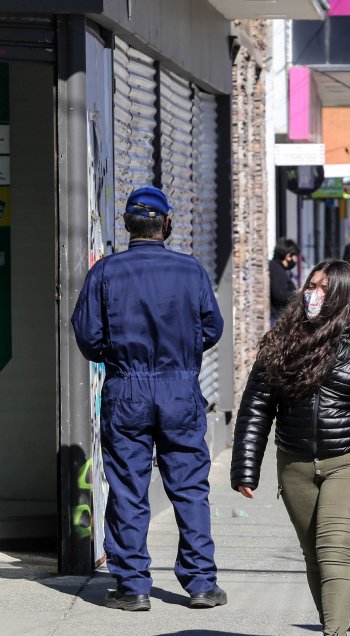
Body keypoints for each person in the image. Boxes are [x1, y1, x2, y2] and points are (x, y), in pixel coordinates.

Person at [70, 185, 227, 611]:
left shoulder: (105, 272)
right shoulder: (190, 271)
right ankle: (199, 583)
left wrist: (118, 358)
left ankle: (134, 586)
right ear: (167, 224)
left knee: (127, 488)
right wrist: (181, 351)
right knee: (190, 487)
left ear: (126, 225)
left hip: (128, 388)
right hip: (178, 387)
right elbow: (213, 328)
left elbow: (87, 336)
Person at [232, 259, 350, 636]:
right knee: (314, 556)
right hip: (295, 465)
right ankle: (331, 624)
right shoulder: (282, 341)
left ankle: (333, 633)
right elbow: (257, 405)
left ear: (344, 297)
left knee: (335, 552)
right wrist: (245, 467)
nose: (314, 294)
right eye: (311, 286)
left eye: (324, 289)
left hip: (349, 462)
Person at [270, 238, 301, 325]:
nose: (295, 260)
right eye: (295, 257)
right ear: (288, 256)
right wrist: (298, 293)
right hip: (276, 319)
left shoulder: (280, 269)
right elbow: (280, 295)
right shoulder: (275, 269)